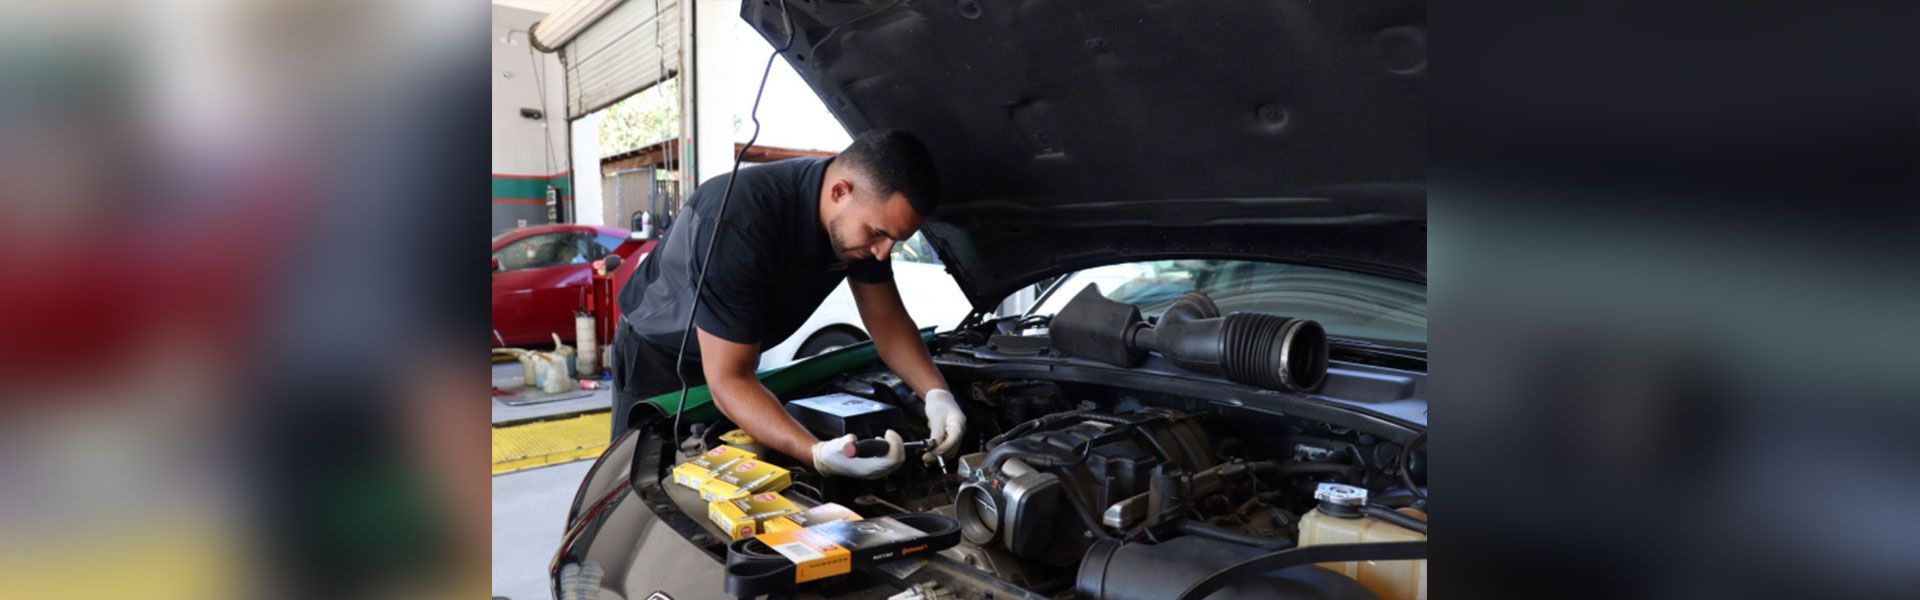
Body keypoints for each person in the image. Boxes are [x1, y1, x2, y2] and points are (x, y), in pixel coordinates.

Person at [610, 130, 963, 480]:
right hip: (659, 359)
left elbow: (886, 319)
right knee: (639, 484)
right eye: (877, 233)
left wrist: (936, 392)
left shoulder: (862, 220)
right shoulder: (740, 223)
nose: (882, 252)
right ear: (840, 191)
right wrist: (816, 453)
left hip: (735, 358)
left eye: (894, 241)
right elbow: (729, 380)